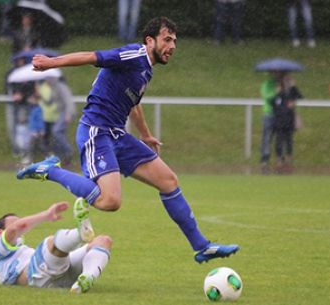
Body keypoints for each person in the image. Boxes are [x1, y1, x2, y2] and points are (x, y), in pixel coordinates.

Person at [17, 17, 239, 263]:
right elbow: (93, 56)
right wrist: (51, 63)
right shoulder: (133, 54)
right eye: (167, 39)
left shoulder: (145, 69)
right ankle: (51, 171)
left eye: (174, 41)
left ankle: (202, 247)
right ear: (149, 40)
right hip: (96, 131)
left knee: (168, 181)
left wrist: (145, 135)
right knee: (110, 201)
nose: (172, 46)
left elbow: (133, 104)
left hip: (118, 135)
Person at [0, 198, 112, 293]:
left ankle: (86, 278)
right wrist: (46, 215)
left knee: (103, 241)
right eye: (13, 223)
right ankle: (79, 234)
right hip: (36, 277)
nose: (18, 224)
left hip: (58, 277)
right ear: (0, 232)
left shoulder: (21, 250)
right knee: (50, 243)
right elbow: (14, 229)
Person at [270, 74, 302, 174]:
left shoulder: (291, 93)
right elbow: (273, 104)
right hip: (279, 122)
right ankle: (279, 159)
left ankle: (289, 158)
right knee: (279, 141)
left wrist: (293, 86)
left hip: (289, 121)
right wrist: (276, 94)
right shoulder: (277, 96)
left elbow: (299, 96)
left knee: (289, 141)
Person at [260, 71, 282, 174]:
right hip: (269, 113)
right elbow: (267, 98)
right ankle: (265, 159)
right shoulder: (267, 84)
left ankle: (279, 158)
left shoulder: (283, 84)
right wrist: (276, 92)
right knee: (267, 137)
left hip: (280, 115)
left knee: (279, 137)